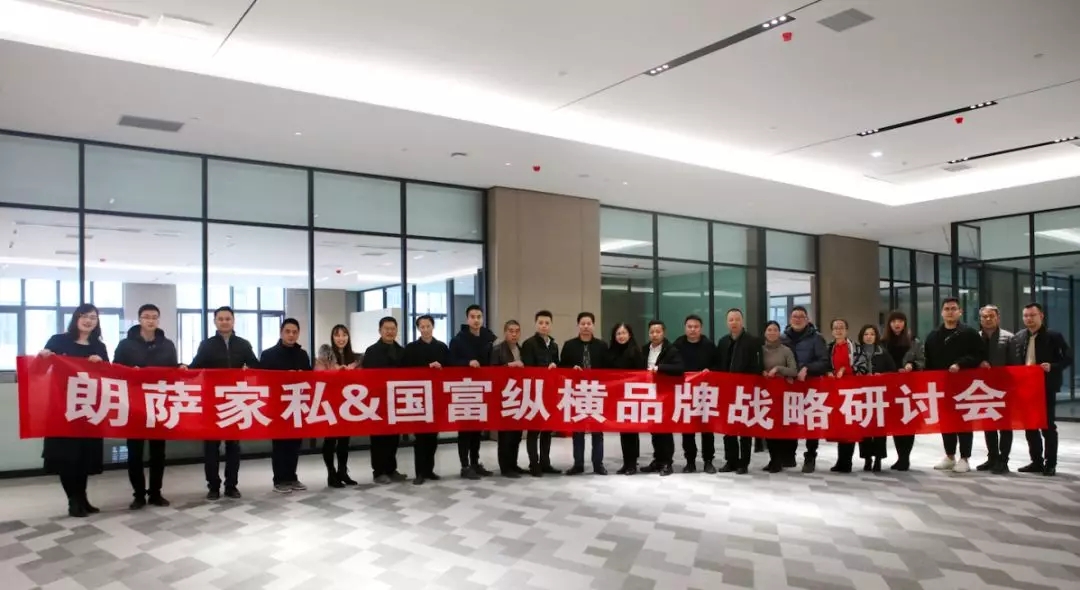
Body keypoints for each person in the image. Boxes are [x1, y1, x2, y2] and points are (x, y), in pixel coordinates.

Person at [39, 303, 109, 518]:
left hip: (88, 408)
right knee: (66, 456)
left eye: (93, 318)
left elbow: (108, 375)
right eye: (84, 316)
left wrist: (100, 363)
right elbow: (41, 370)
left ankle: (83, 498)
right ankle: (73, 500)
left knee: (84, 456)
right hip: (62, 407)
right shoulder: (58, 341)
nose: (88, 321)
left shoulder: (98, 346)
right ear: (76, 318)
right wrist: (43, 356)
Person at [190, 306, 259, 501]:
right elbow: (195, 368)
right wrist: (182, 369)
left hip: (235, 400)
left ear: (233, 321)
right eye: (220, 319)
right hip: (211, 400)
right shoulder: (207, 345)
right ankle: (213, 486)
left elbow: (256, 366)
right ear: (215, 322)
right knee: (211, 446)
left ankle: (231, 485)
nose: (224, 322)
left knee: (233, 446)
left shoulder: (243, 344)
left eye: (227, 318)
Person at [113, 303, 178, 510]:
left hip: (159, 403)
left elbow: (172, 372)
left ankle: (156, 493)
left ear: (158, 320)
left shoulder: (167, 345)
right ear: (139, 319)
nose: (150, 320)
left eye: (154, 317)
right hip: (133, 404)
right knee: (135, 452)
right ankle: (139, 494)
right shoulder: (125, 345)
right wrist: (129, 371)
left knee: (158, 453)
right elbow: (115, 370)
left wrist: (181, 368)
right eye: (146, 317)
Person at [924, 297, 986, 473]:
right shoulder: (933, 336)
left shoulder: (969, 333)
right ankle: (950, 456)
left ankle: (964, 458)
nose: (950, 312)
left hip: (965, 385)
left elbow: (979, 355)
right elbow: (928, 361)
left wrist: (961, 364)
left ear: (960, 312)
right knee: (946, 422)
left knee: (964, 421)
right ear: (942, 312)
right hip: (942, 386)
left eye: (953, 309)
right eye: (947, 309)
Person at [1011, 302, 1072, 477]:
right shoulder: (1019, 337)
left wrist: (1053, 366)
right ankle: (1036, 461)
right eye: (1026, 316)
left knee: (1047, 426)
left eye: (1032, 315)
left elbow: (1068, 358)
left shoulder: (1054, 336)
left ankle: (1050, 463)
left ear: (1041, 316)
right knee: (1030, 426)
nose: (1029, 319)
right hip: (1025, 388)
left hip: (1046, 387)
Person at [261, 318, 312, 494]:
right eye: (288, 331)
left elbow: (310, 379)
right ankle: (279, 479)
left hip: (297, 404)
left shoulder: (302, 355)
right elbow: (263, 380)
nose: (291, 335)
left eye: (294, 332)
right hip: (277, 405)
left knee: (295, 443)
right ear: (281, 332)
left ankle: (292, 476)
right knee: (280, 444)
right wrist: (283, 376)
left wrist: (301, 375)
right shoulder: (268, 354)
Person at [448, 304, 497, 480]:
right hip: (464, 389)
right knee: (465, 430)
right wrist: (467, 363)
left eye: (479, 317)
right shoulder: (458, 340)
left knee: (477, 429)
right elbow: (450, 362)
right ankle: (465, 465)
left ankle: (475, 463)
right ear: (467, 319)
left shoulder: (489, 338)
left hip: (482, 389)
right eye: (473, 317)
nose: (476, 320)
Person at [780, 306, 829, 473]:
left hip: (811, 386)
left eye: (801, 316)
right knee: (790, 420)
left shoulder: (817, 338)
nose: (797, 319)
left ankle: (810, 457)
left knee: (811, 423)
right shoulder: (783, 338)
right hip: (790, 387)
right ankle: (789, 456)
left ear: (807, 319)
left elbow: (824, 362)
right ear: (790, 319)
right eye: (794, 316)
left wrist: (808, 368)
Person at [560, 312, 609, 475]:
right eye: (583, 323)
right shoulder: (569, 345)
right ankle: (578, 464)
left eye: (589, 323)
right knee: (578, 430)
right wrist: (571, 369)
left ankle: (598, 464)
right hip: (577, 392)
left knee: (597, 431)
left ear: (593, 325)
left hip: (596, 392)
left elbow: (609, 369)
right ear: (578, 325)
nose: (586, 326)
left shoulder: (602, 346)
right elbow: (562, 368)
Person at [713, 309, 761, 475]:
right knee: (728, 428)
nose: (734, 322)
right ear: (727, 322)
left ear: (742, 321)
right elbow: (719, 365)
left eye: (737, 319)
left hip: (745, 391)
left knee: (744, 428)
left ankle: (744, 462)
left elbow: (757, 365)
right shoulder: (723, 342)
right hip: (727, 391)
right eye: (731, 319)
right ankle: (731, 461)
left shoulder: (752, 341)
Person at [403, 314, 450, 485]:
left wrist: (441, 367)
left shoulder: (442, 347)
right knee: (420, 437)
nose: (425, 330)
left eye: (428, 326)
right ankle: (420, 472)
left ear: (433, 326)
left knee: (433, 437)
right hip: (418, 398)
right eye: (422, 327)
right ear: (418, 329)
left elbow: (451, 369)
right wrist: (426, 368)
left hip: (437, 396)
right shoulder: (411, 348)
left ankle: (429, 470)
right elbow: (406, 370)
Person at [363, 316, 409, 484]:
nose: (390, 332)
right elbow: (367, 377)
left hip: (395, 400)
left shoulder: (402, 351)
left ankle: (391, 469)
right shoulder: (371, 351)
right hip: (378, 401)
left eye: (393, 329)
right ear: (380, 331)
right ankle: (378, 471)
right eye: (386, 329)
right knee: (378, 437)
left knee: (393, 436)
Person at [847, 325, 895, 472]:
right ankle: (867, 458)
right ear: (862, 336)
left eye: (872, 334)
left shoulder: (883, 352)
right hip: (862, 395)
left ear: (876, 337)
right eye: (866, 334)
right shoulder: (856, 352)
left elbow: (893, 371)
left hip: (879, 396)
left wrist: (882, 376)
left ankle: (878, 459)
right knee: (865, 427)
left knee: (879, 429)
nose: (869, 337)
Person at [879, 310, 924, 471]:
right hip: (889, 388)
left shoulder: (914, 342)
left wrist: (913, 365)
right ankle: (900, 457)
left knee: (908, 421)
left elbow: (922, 360)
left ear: (905, 323)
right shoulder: (883, 343)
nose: (897, 324)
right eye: (893, 321)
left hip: (908, 388)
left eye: (900, 321)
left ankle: (905, 458)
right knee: (895, 422)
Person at [672, 314, 717, 473]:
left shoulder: (709, 345)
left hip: (705, 392)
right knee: (688, 428)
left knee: (707, 428)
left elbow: (717, 365)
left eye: (696, 327)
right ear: (685, 328)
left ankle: (708, 461)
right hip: (685, 392)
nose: (693, 330)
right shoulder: (678, 344)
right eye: (690, 327)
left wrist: (710, 371)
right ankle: (690, 461)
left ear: (701, 328)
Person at [640, 320, 684, 476]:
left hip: (665, 394)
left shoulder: (671, 350)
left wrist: (659, 368)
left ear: (663, 333)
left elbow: (679, 368)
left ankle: (667, 462)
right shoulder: (644, 349)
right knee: (654, 429)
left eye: (658, 332)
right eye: (652, 332)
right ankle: (657, 460)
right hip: (649, 394)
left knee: (665, 429)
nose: (654, 335)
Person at [520, 310, 561, 476]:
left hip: (550, 392)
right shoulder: (529, 344)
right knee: (534, 430)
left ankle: (545, 462)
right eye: (541, 323)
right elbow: (528, 368)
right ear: (535, 324)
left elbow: (558, 365)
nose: (544, 326)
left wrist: (555, 367)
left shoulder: (554, 345)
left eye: (547, 323)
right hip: (535, 392)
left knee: (547, 429)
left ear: (551, 325)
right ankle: (534, 463)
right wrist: (546, 369)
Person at [977, 305, 1015, 474]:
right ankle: (992, 457)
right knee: (988, 424)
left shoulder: (1009, 338)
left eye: (991, 316)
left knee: (1005, 425)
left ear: (998, 318)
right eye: (984, 316)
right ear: (980, 319)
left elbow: (1015, 364)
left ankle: (1003, 460)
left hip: (1004, 389)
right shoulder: (975, 338)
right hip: (983, 388)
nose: (988, 319)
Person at [322, 324, 360, 488]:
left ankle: (343, 471)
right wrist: (336, 371)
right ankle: (331, 474)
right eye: (337, 335)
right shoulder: (325, 356)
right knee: (330, 440)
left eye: (344, 335)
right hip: (330, 402)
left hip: (348, 403)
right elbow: (318, 374)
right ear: (332, 337)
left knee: (345, 440)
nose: (341, 338)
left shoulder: (354, 357)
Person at [606, 323, 646, 475]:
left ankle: (632, 463)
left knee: (632, 430)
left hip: (632, 396)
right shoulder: (611, 352)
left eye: (624, 333)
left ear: (630, 335)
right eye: (618, 333)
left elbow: (641, 374)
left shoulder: (635, 351)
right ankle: (626, 462)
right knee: (623, 431)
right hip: (617, 397)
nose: (621, 336)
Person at [490, 319, 527, 478]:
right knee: (506, 434)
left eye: (517, 331)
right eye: (511, 331)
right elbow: (492, 372)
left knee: (517, 434)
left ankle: (513, 463)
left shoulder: (521, 349)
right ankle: (505, 467)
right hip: (504, 396)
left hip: (519, 395)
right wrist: (509, 366)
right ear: (505, 332)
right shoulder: (497, 350)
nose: (514, 334)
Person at [827, 318, 864, 474]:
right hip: (835, 391)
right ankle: (840, 460)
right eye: (835, 327)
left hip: (852, 391)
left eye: (841, 327)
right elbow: (825, 364)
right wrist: (828, 372)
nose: (838, 330)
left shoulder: (855, 347)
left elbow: (862, 366)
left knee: (850, 426)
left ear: (847, 330)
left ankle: (847, 461)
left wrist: (846, 370)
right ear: (832, 331)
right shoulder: (829, 348)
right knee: (839, 425)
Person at [761, 320, 798, 473]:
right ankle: (773, 459)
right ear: (765, 332)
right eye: (769, 330)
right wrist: (761, 372)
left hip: (782, 396)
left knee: (780, 428)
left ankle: (779, 460)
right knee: (768, 427)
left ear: (779, 332)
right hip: (764, 395)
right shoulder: (760, 350)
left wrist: (778, 369)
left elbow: (794, 371)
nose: (772, 332)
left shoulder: (786, 350)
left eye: (775, 330)